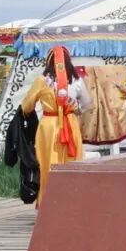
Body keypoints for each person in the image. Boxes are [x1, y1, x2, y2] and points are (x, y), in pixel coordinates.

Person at [20, 46, 91, 206]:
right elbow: (87, 104)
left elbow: (26, 106)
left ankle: (49, 204)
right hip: (70, 124)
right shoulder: (77, 80)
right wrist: (74, 109)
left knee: (48, 164)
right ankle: (72, 202)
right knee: (71, 163)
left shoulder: (42, 81)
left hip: (49, 127)